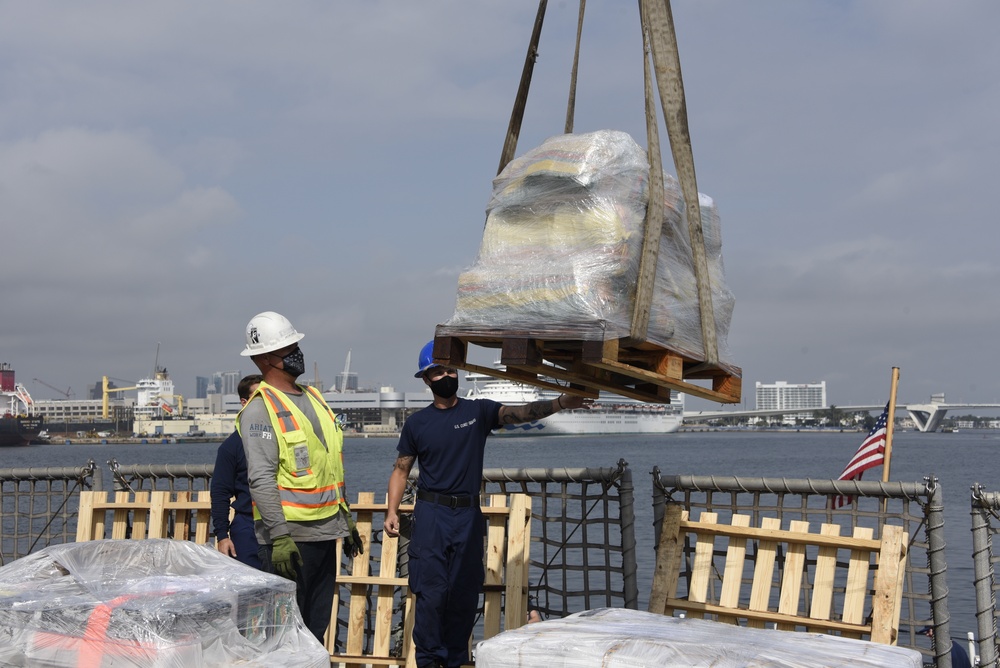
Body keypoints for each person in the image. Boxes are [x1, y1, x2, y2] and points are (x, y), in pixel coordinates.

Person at [383, 340, 590, 668]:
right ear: (426, 379)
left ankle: (454, 662)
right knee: (432, 596)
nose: (448, 375)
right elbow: (401, 469)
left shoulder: (477, 412)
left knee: (464, 597)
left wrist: (561, 402)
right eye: (439, 371)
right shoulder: (417, 424)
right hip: (432, 515)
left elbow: (519, 413)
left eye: (451, 369)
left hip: (467, 515)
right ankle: (427, 662)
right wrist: (392, 510)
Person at [235, 311, 362, 643]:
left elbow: (329, 464)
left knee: (315, 629)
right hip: (289, 542)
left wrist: (344, 518)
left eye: (295, 345)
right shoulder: (260, 409)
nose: (297, 352)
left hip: (323, 534)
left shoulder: (314, 398)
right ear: (264, 359)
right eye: (287, 347)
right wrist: (279, 536)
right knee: (285, 635)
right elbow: (261, 479)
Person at [210, 373, 263, 569]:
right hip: (248, 526)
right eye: (258, 398)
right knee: (251, 593)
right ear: (244, 402)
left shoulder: (282, 439)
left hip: (283, 525)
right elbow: (220, 492)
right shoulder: (231, 446)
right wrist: (222, 536)